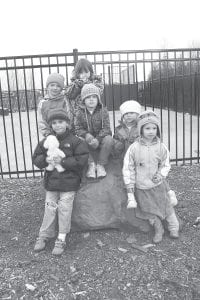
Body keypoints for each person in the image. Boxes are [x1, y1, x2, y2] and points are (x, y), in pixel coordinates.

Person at [32, 108, 89, 255]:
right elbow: (36, 157)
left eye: (61, 122)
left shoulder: (76, 141)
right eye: (54, 123)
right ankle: (44, 235)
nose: (58, 125)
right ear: (51, 126)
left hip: (69, 184)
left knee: (64, 209)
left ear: (67, 123)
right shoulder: (47, 141)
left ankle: (62, 237)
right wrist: (46, 160)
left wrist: (63, 161)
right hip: (51, 183)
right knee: (50, 208)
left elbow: (81, 160)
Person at [123, 110, 179, 243]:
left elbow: (166, 164)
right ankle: (159, 229)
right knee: (149, 210)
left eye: (154, 128)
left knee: (166, 206)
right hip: (142, 187)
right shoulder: (134, 148)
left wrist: (161, 174)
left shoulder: (161, 147)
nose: (151, 131)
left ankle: (174, 227)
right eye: (147, 128)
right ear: (141, 130)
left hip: (158, 185)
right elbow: (128, 167)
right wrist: (130, 185)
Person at [75, 83, 113, 179]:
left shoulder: (103, 111)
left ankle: (101, 165)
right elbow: (77, 128)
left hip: (100, 140)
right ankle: (91, 164)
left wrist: (98, 139)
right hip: (87, 141)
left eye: (94, 97)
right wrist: (86, 135)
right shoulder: (79, 112)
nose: (91, 99)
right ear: (83, 100)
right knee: (78, 140)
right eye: (88, 97)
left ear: (98, 99)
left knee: (109, 139)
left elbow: (107, 128)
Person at [37, 73, 74, 137]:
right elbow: (41, 121)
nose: (55, 88)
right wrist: (47, 134)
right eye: (52, 85)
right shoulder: (42, 103)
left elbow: (69, 116)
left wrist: (66, 131)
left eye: (58, 86)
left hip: (66, 135)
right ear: (47, 86)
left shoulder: (65, 100)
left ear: (61, 88)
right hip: (50, 136)